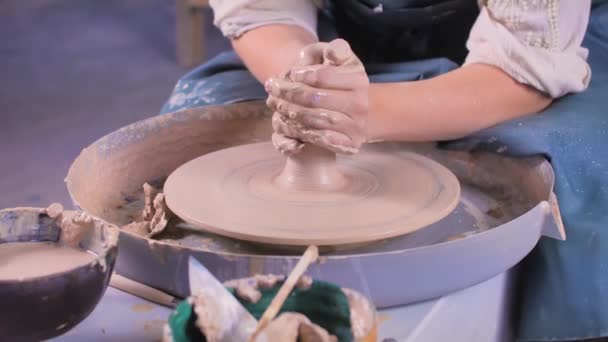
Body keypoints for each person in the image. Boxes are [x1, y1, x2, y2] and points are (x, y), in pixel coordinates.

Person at [161, 1, 608, 340]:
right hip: (345, 44)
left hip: (538, 61)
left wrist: (366, 113)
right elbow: (263, 11)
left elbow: (530, 59)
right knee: (191, 138)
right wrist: (308, 87)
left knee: (571, 172)